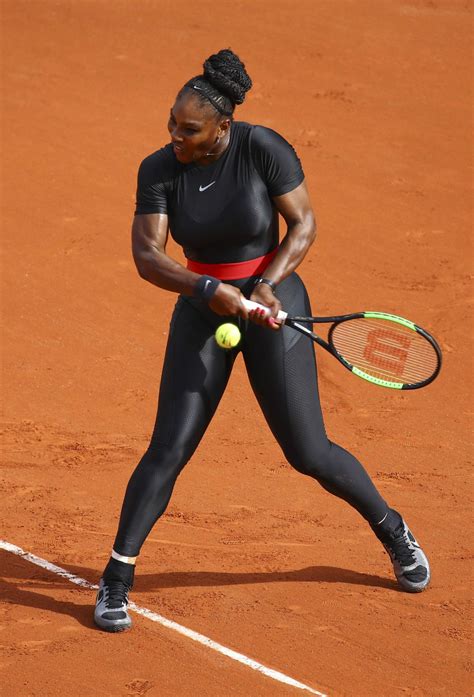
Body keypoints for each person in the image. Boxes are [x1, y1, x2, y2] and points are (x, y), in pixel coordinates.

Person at [94, 49, 430, 632]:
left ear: (223, 127)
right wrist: (207, 288)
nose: (176, 135)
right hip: (205, 312)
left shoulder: (262, 148)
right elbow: (148, 256)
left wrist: (268, 285)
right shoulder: (159, 169)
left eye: (190, 129)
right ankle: (115, 581)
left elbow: (303, 224)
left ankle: (393, 530)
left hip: (275, 303)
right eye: (172, 123)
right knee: (168, 450)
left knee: (308, 452)